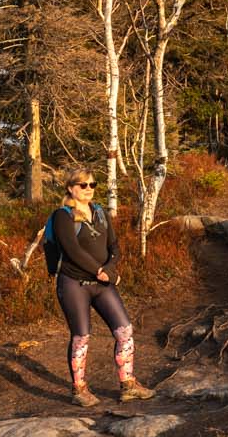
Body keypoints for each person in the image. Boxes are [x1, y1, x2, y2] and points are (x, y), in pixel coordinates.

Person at [38, 171, 153, 406]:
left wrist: (109, 269)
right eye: (83, 184)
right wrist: (99, 272)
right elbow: (73, 251)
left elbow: (114, 246)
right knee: (81, 337)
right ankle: (79, 390)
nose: (89, 187)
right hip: (74, 284)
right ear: (71, 188)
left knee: (125, 331)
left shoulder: (100, 211)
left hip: (102, 284)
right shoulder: (63, 215)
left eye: (92, 184)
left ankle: (128, 384)